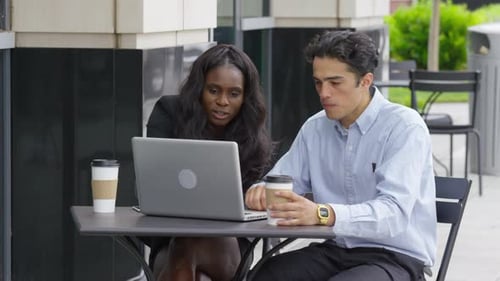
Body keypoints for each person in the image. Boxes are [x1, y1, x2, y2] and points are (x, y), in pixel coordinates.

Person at [245, 30, 436, 281]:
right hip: (335, 250)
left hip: (395, 256)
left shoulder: (404, 128)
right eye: (318, 82)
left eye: (335, 83)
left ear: (366, 81)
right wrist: (262, 191)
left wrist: (323, 213)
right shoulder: (315, 128)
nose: (324, 93)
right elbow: (282, 182)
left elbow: (393, 214)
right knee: (265, 275)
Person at [145, 44, 273, 281]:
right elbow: (151, 180)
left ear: (245, 97)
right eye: (213, 90)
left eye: (234, 94)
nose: (222, 101)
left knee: (188, 243)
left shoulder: (250, 132)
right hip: (170, 241)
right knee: (190, 255)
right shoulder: (169, 112)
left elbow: (258, 206)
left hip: (229, 245)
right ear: (199, 89)